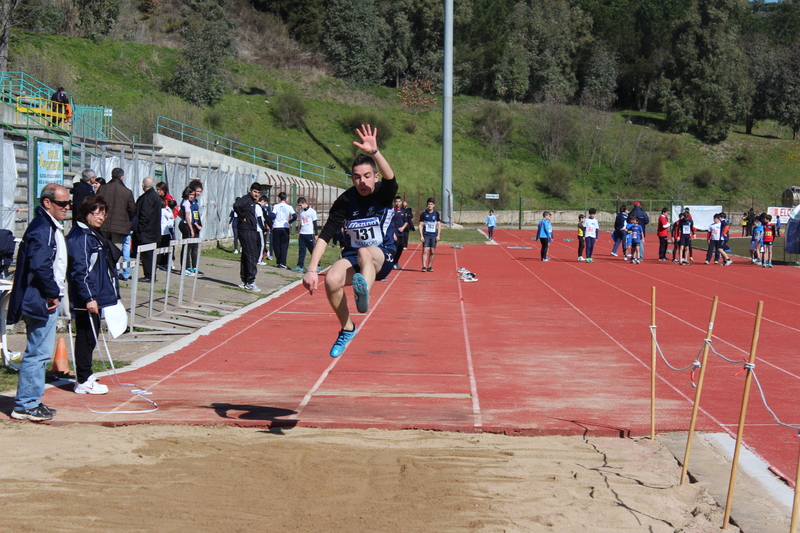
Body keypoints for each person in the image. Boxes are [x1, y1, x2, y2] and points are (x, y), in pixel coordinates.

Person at [302, 124, 396, 358]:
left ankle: (363, 294)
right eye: (356, 177)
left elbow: (391, 178)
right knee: (331, 280)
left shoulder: (383, 193)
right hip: (353, 257)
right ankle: (347, 328)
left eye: (367, 176)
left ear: (375, 177)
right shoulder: (345, 201)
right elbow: (325, 235)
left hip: (381, 255)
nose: (362, 182)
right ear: (352, 179)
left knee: (366, 252)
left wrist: (375, 152)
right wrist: (312, 270)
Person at [7, 184, 70, 421]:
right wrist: (52, 293)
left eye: (68, 203)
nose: (67, 207)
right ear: (47, 203)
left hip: (44, 296)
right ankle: (25, 404)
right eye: (62, 203)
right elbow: (40, 266)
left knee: (40, 351)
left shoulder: (49, 226)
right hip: (40, 299)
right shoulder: (42, 228)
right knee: (38, 352)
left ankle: (30, 400)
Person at [66, 195, 122, 395]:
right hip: (87, 297)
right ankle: (82, 380)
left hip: (97, 294)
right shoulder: (81, 237)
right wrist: (89, 298)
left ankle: (86, 374)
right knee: (86, 336)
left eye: (103, 213)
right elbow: (80, 270)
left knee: (92, 336)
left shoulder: (93, 234)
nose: (101, 217)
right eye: (96, 212)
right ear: (85, 213)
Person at [97, 168, 135, 281]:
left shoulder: (102, 188)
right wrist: (127, 219)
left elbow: (96, 203)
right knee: (116, 249)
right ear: (122, 177)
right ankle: (114, 272)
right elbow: (132, 209)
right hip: (119, 226)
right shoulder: (127, 192)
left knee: (101, 247)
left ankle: (102, 270)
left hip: (103, 222)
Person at [233, 184, 264, 291]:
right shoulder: (246, 199)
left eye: (259, 193)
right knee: (251, 254)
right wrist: (242, 216)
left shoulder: (252, 201)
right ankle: (250, 281)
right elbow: (236, 205)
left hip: (250, 230)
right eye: (255, 192)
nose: (257, 194)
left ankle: (244, 280)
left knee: (246, 255)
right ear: (250, 190)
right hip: (246, 230)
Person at [134, 177, 162, 282]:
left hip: (147, 232)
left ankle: (149, 275)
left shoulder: (148, 198)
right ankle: (150, 274)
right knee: (149, 255)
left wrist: (139, 228)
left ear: (143, 185)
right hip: (153, 231)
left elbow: (145, 215)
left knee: (147, 255)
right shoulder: (154, 196)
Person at [272, 192, 296, 269]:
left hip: (277, 227)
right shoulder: (289, 207)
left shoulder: (276, 206)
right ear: (286, 198)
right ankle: (283, 262)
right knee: (284, 245)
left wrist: (270, 221)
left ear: (279, 198)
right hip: (285, 227)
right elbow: (295, 216)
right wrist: (289, 221)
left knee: (276, 245)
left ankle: (279, 261)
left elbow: (272, 215)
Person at [294, 197, 318, 272]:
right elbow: (301, 222)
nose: (299, 207)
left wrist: (316, 234)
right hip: (302, 233)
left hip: (309, 233)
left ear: (304, 203)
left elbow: (315, 223)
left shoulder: (312, 212)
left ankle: (318, 264)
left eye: (300, 205)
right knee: (302, 250)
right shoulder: (301, 212)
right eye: (299, 206)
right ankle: (300, 265)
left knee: (312, 250)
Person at [419, 197, 441, 272]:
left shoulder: (436, 214)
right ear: (426, 205)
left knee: (432, 251)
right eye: (429, 204)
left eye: (431, 204)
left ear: (434, 205)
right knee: (425, 250)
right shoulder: (424, 214)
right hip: (426, 235)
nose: (430, 206)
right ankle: (424, 266)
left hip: (433, 235)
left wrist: (438, 235)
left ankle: (429, 266)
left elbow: (438, 225)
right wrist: (421, 235)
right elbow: (420, 225)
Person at [157, 197, 176, 271]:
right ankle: (165, 263)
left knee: (160, 248)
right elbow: (171, 217)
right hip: (165, 232)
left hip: (159, 232)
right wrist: (169, 209)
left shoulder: (158, 211)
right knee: (167, 248)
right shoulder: (164, 211)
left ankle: (159, 263)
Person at [390, 196, 408, 270]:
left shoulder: (403, 211)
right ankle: (392, 263)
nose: (397, 203)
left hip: (401, 233)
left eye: (399, 201)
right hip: (395, 233)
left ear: (401, 202)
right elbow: (390, 223)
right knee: (395, 248)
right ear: (394, 202)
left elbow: (406, 222)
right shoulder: (392, 211)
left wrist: (403, 228)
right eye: (396, 201)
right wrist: (393, 233)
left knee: (400, 248)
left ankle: (396, 262)